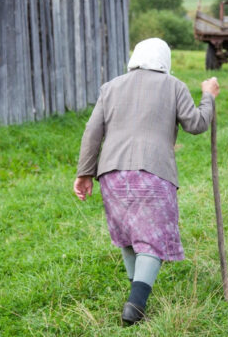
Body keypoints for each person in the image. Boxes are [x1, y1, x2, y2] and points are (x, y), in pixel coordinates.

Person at [73, 38, 220, 325]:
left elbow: (92, 132)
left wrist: (84, 173)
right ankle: (136, 304)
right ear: (165, 62)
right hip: (153, 173)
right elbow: (196, 124)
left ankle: (134, 292)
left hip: (111, 173)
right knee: (151, 240)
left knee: (128, 234)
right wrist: (208, 96)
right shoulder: (173, 86)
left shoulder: (111, 87)